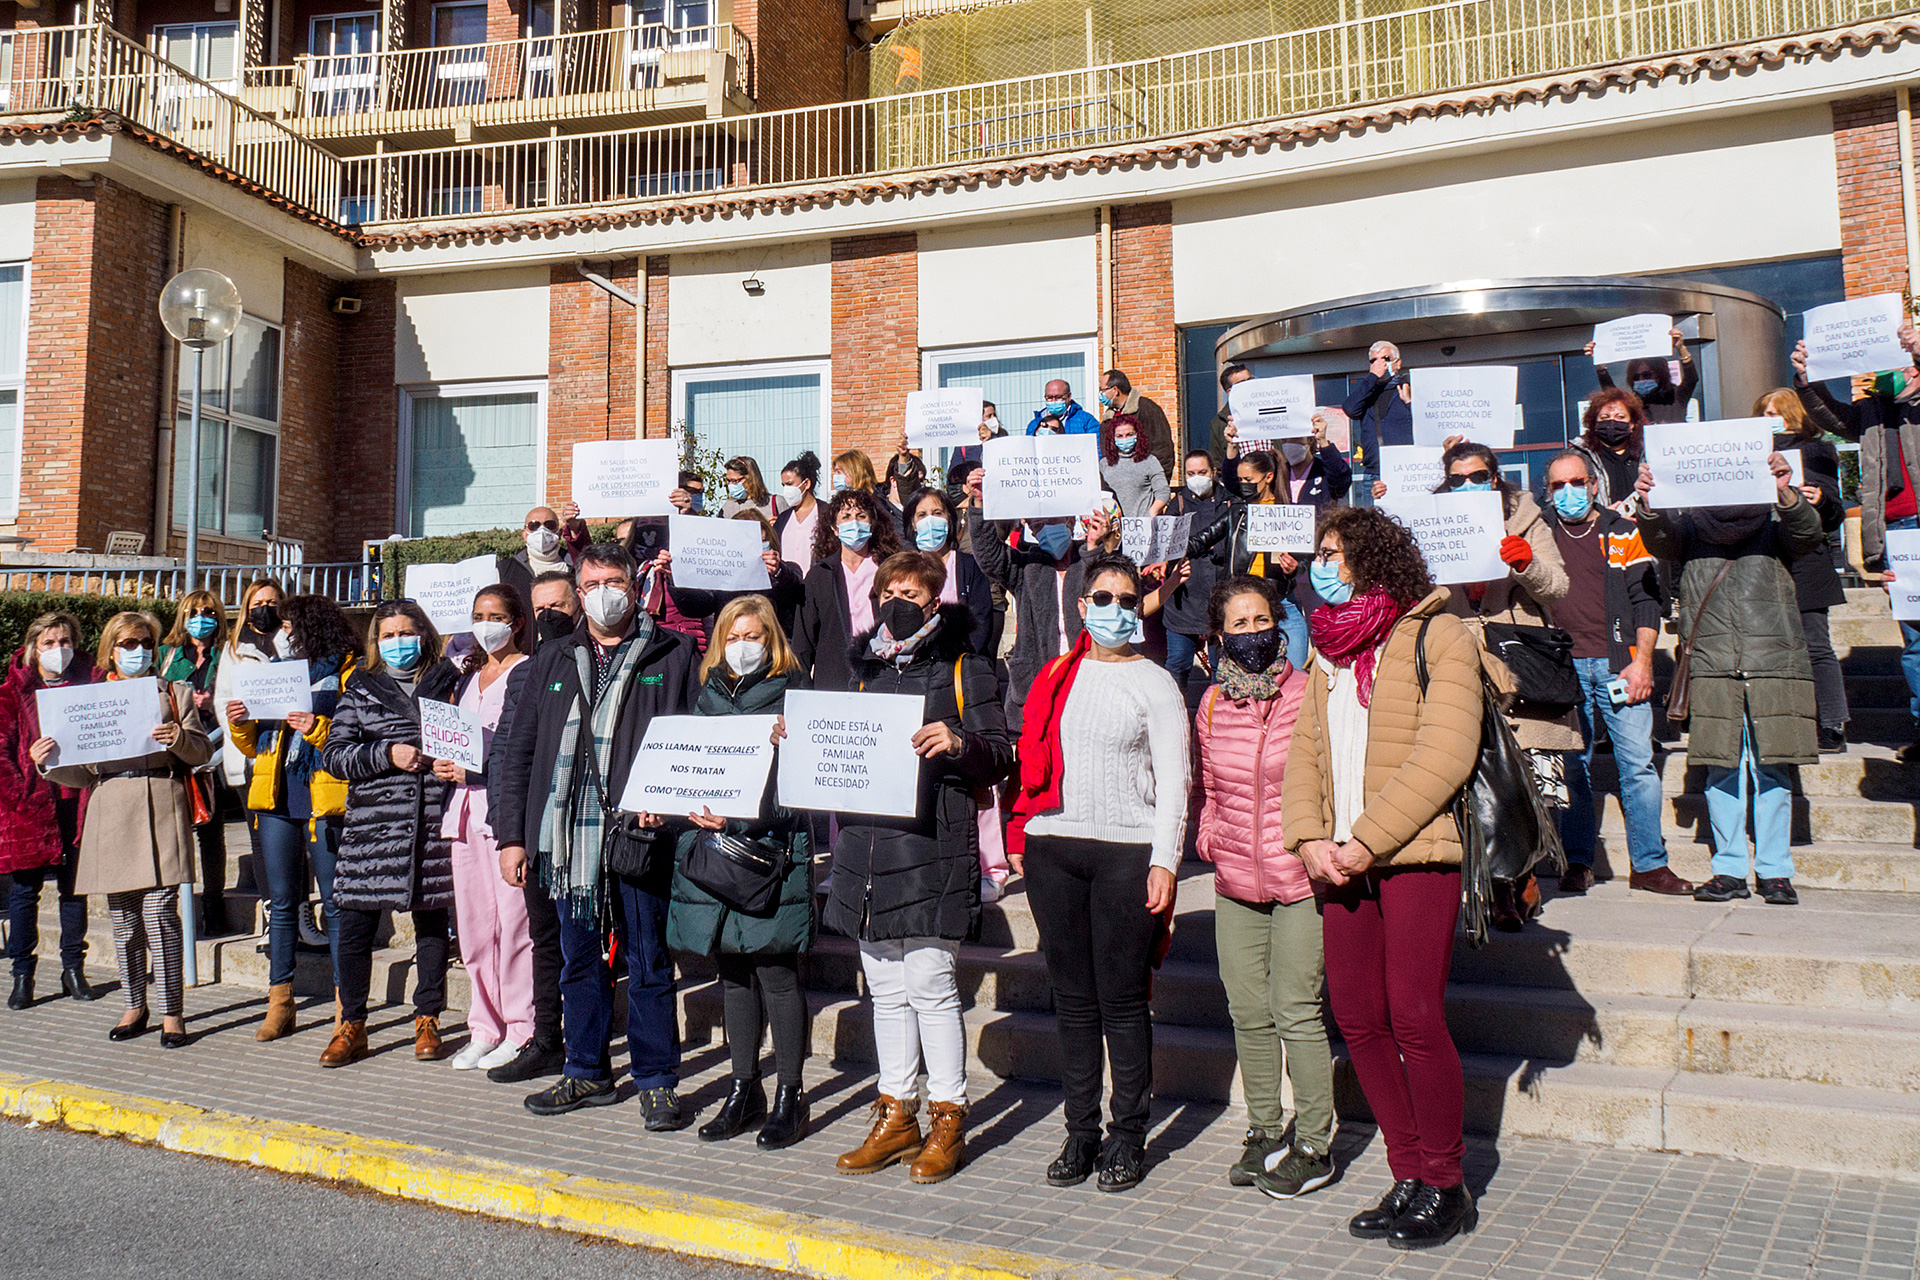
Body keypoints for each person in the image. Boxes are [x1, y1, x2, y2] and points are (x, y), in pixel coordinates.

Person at [1283, 507, 1483, 1250]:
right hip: (1338, 860)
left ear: (1374, 560)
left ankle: (1445, 1181)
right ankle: (1406, 1173)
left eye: (1336, 555)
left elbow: (1446, 752)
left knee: (1415, 1018)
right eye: (1319, 556)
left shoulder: (1440, 634)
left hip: (1413, 855)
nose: (1322, 568)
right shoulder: (1326, 650)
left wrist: (1368, 840)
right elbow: (1304, 755)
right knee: (1359, 1017)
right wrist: (1307, 838)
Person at [490, 543, 698, 1125]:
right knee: (580, 960)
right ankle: (585, 1071)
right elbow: (520, 753)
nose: (604, 593)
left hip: (640, 837)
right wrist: (512, 837)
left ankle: (658, 1080)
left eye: (615, 581)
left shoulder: (674, 651)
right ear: (578, 595)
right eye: (592, 584)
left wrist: (672, 806)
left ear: (634, 587)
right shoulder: (551, 660)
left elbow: (690, 742)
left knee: (649, 959)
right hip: (567, 842)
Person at [823, 551, 1012, 1184]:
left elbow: (1000, 754)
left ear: (935, 601)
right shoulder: (860, 674)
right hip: (865, 852)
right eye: (889, 591)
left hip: (930, 845)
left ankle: (949, 1115)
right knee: (884, 989)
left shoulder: (966, 667)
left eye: (912, 591)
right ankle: (895, 1111)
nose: (899, 600)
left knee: (932, 986)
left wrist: (959, 743)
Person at [1007, 551, 1187, 1193]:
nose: (1114, 608)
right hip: (1055, 848)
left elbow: (1174, 784)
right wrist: (1021, 832)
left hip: (1126, 853)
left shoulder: (1156, 683)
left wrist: (1165, 859)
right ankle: (1080, 1130)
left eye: (1125, 598)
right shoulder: (1056, 674)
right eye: (1101, 598)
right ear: (1081, 607)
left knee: (1122, 1000)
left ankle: (1128, 1133)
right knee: (1073, 1002)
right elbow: (1029, 760)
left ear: (1139, 607)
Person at [1191, 575, 1334, 1198]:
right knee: (1248, 1011)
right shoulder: (1213, 703)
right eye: (1238, 624)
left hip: (1299, 876)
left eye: (1260, 621)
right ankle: (1265, 1128)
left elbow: (1329, 780)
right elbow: (1211, 786)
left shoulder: (1310, 694)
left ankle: (1315, 1143)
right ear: (1219, 635)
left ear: (1278, 625)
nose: (1251, 633)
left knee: (1295, 1010)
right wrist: (1209, 837)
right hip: (1234, 878)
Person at [1635, 454, 1822, 906]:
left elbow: (1808, 533)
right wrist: (1649, 500)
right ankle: (1730, 869)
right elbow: (1659, 537)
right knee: (1721, 768)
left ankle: (1775, 872)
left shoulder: (1772, 524)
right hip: (1713, 663)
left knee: (1773, 767)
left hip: (1772, 660)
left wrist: (1785, 491)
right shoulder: (1692, 529)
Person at [668, 595, 815, 1149]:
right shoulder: (706, 696)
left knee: (776, 973)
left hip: (769, 855)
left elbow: (803, 789)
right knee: (731, 973)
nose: (742, 646)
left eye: (753, 636)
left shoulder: (795, 697)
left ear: (771, 640)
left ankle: (792, 1094)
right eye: (733, 637)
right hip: (715, 852)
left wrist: (757, 804)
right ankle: (743, 1085)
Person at [38, 611, 212, 1049]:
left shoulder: (176, 691)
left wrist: (178, 738)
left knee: (159, 914)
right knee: (124, 919)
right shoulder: (90, 698)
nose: (139, 651)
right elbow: (82, 774)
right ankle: (136, 1004)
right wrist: (49, 762)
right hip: (112, 805)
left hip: (162, 801)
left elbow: (202, 751)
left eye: (146, 643)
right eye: (129, 644)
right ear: (111, 650)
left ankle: (172, 1011)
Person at [1539, 451, 1692, 897]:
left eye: (1576, 482)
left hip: (1619, 665)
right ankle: (1579, 862)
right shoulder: (1540, 535)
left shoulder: (1623, 531)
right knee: (1573, 770)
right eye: (1558, 486)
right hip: (1564, 672)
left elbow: (1646, 601)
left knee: (1638, 766)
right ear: (1548, 492)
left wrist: (1642, 661)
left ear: (1592, 485)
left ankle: (1648, 864)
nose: (1568, 492)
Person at [1435, 441, 1575, 925]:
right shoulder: (1435, 521)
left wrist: (1525, 563)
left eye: (1479, 476)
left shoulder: (1527, 518)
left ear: (1495, 478)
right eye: (1458, 479)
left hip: (1518, 662)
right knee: (1472, 780)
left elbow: (1558, 586)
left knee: (1528, 781)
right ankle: (1494, 886)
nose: (1469, 485)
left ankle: (1522, 876)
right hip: (1459, 662)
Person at [318, 600, 461, 1068]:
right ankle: (352, 1023)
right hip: (373, 828)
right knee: (356, 927)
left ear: (425, 633)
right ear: (376, 642)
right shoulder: (360, 687)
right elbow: (335, 756)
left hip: (431, 821)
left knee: (431, 924)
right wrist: (385, 753)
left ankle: (428, 1017)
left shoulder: (451, 679)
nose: (398, 642)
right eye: (388, 635)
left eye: (406, 632)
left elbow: (470, 739)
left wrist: (452, 765)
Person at [227, 594, 360, 1042]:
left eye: (288, 626)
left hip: (324, 797)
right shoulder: (273, 674)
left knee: (337, 904)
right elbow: (253, 746)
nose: (281, 634)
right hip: (278, 796)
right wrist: (241, 723)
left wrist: (315, 727)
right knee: (282, 904)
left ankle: (348, 1009)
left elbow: (354, 738)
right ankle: (280, 1001)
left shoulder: (346, 674)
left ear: (310, 627)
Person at [1793, 329, 1920, 758]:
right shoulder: (1871, 412)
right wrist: (1808, 379)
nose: (1901, 372)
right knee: (1916, 641)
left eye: (1908, 364)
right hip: (1899, 532)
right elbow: (1829, 416)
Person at [429, 585, 532, 1071]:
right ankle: (483, 1026)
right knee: (472, 929)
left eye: (496, 616)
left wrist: (475, 769)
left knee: (513, 926)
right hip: (461, 813)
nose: (486, 624)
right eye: (478, 615)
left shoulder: (525, 671)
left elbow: (520, 750)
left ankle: (520, 1026)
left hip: (500, 811)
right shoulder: (468, 676)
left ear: (516, 622)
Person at [486, 572, 576, 1085]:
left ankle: (588, 1037)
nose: (548, 617)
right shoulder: (527, 674)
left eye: (558, 606)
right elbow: (509, 756)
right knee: (545, 940)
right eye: (539, 609)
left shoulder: (593, 661)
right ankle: (546, 1039)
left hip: (585, 831)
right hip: (538, 833)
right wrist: (509, 833)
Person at [0, 612, 97, 1008]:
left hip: (76, 801)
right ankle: (22, 973)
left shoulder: (89, 685)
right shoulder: (10, 693)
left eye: (65, 642)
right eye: (50, 643)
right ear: (33, 648)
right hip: (28, 806)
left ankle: (73, 967)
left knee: (75, 890)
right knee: (25, 893)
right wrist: (23, 780)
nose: (59, 650)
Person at [968, 499, 1114, 730]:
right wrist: (979, 505)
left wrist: (1095, 547)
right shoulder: (1026, 567)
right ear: (1032, 530)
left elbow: (1108, 588)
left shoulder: (1087, 560)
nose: (1046, 527)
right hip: (1037, 686)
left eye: (1052, 519)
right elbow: (988, 554)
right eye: (1038, 523)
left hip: (1086, 680)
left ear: (1070, 520)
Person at [1757, 388, 1849, 752]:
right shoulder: (1749, 454)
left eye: (1776, 412)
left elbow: (1835, 513)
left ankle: (1831, 724)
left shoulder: (1816, 450)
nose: (1770, 418)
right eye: (1763, 413)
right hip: (1764, 557)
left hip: (1807, 561)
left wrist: (1821, 499)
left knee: (1815, 645)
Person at [1187, 451, 1311, 670]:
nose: (1243, 485)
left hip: (1281, 602)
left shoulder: (1289, 513)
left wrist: (1292, 569)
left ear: (1268, 477)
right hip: (1242, 602)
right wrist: (1169, 555)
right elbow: (1201, 541)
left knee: (1297, 673)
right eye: (1241, 480)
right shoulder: (1237, 512)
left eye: (1249, 480)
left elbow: (1304, 562)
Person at [158, 590, 230, 935]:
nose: (201, 618)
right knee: (174, 831)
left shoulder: (226, 654)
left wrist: (213, 701)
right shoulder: (166, 655)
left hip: (215, 747)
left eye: (208, 611)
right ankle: (171, 909)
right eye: (194, 611)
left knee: (211, 831)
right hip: (176, 749)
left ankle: (213, 905)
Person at [794, 488, 904, 693]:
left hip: (883, 677)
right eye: (846, 516)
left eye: (861, 516)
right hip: (833, 682)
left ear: (872, 524)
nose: (854, 522)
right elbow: (804, 643)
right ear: (835, 528)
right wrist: (802, 691)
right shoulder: (819, 576)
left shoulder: (890, 570)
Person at [1163, 451, 1234, 701]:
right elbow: (1166, 542)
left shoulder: (1229, 502)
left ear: (1213, 473)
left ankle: (1217, 715)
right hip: (1183, 601)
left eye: (1202, 473)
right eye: (1191, 474)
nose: (1197, 478)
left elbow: (1239, 541)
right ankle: (1176, 712)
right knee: (1178, 664)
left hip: (1219, 600)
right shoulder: (1178, 503)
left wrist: (1216, 547)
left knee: (1220, 668)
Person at [668, 510, 807, 637]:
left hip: (775, 651)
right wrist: (676, 576)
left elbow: (794, 591)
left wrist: (777, 571)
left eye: (762, 541)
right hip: (731, 649)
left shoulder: (787, 570)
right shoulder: (721, 577)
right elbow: (696, 607)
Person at [904, 486, 994, 655]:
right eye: (922, 515)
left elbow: (982, 618)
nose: (930, 520)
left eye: (937, 513)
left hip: (962, 664)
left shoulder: (970, 565)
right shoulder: (904, 569)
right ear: (913, 524)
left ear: (949, 519)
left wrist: (964, 658)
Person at [500, 503, 589, 626]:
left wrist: (575, 527)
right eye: (534, 525)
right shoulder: (505, 570)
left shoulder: (574, 566)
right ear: (524, 535)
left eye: (549, 525)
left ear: (559, 532)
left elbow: (590, 560)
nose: (542, 530)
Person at [1591, 327, 1697, 424]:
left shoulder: (1675, 396)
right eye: (1636, 377)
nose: (1641, 380)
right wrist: (1600, 363)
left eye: (1646, 375)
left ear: (1660, 375)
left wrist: (1681, 348)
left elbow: (1691, 379)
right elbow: (1611, 392)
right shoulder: (1633, 403)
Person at [1342, 341, 1414, 479]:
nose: (1380, 364)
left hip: (1405, 469)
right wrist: (1372, 377)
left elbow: (1425, 422)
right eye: (1374, 360)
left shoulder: (1409, 387)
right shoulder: (1367, 392)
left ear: (1397, 363)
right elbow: (1350, 409)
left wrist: (1408, 402)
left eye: (1386, 359)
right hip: (1374, 473)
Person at [1572, 388, 1650, 511]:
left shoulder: (1648, 455)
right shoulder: (1579, 457)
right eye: (1604, 417)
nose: (1612, 421)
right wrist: (1600, 516)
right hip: (1603, 528)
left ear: (1632, 424)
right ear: (1594, 423)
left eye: (1620, 417)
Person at [1099, 369, 1176, 476]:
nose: (1100, 394)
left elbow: (1162, 450)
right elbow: (1106, 456)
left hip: (1147, 485)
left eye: (1102, 390)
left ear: (1115, 390)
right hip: (1118, 485)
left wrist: (1157, 483)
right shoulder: (1108, 420)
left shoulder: (1147, 410)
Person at [1098, 412, 1171, 519]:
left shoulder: (1150, 461)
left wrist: (1151, 513)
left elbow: (1163, 491)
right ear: (1112, 439)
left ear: (1137, 435)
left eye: (1129, 435)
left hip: (1143, 526)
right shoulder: (1104, 464)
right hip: (1114, 529)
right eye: (1119, 436)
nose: (1124, 439)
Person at [774, 451, 824, 568]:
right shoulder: (783, 519)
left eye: (790, 484)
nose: (786, 490)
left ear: (806, 483)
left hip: (816, 583)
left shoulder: (825, 513)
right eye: (784, 485)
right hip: (788, 583)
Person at [1023, 379, 1101, 437]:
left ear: (1069, 396)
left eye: (1058, 397)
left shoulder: (1086, 420)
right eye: (1050, 397)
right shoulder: (1034, 424)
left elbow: (1097, 448)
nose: (1054, 401)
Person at [1209, 363, 1254, 464]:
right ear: (1230, 391)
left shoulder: (1269, 411)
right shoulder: (1219, 423)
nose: (1250, 385)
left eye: (1250, 380)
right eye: (1243, 383)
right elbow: (1218, 462)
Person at [720, 456, 782, 522]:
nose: (730, 485)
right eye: (728, 481)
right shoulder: (728, 506)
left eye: (734, 481)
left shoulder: (776, 502)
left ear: (750, 479)